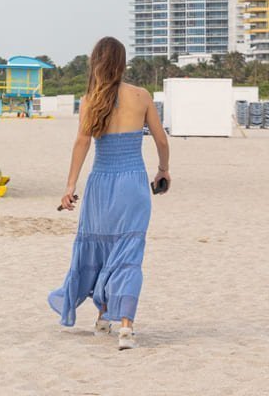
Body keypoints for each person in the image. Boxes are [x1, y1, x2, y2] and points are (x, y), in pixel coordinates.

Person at [48, 36, 170, 350]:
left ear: (96, 62)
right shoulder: (142, 96)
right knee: (127, 252)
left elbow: (81, 143)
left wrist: (70, 186)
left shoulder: (90, 99)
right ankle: (124, 327)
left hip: (101, 183)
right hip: (133, 184)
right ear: (122, 62)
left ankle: (103, 316)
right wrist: (162, 170)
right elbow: (162, 141)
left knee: (101, 248)